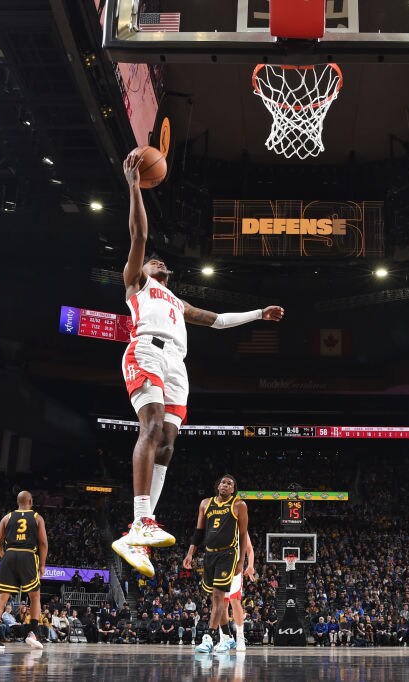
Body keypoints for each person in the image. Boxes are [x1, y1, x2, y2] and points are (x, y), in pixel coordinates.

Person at [110, 149, 284, 579]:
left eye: (162, 264)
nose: (160, 263)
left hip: (177, 365)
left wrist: (258, 314)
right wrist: (134, 188)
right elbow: (137, 237)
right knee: (149, 427)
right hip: (146, 351)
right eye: (156, 262)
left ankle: (140, 535)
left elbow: (219, 321)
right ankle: (139, 519)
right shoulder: (137, 284)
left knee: (168, 443)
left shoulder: (176, 300)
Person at [183, 474, 249, 654]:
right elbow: (198, 531)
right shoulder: (205, 503)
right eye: (223, 482)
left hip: (228, 554)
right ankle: (228, 637)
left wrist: (242, 561)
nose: (225, 485)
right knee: (215, 599)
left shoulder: (239, 505)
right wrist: (190, 553)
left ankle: (209, 637)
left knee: (219, 598)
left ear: (233, 489)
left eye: (230, 484)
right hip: (209, 555)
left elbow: (243, 535)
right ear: (218, 486)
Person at [0, 491, 47, 650]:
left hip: (10, 555)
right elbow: (43, 543)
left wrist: (5, 556)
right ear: (31, 501)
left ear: (18, 502)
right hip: (28, 555)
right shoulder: (37, 517)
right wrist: (42, 565)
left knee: (2, 598)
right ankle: (33, 634)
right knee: (35, 597)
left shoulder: (7, 517)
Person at [223, 530, 256, 651]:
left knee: (234, 601)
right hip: (221, 568)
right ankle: (225, 638)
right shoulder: (218, 523)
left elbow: (250, 549)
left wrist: (250, 565)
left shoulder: (240, 527)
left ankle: (240, 637)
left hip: (236, 569)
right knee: (222, 604)